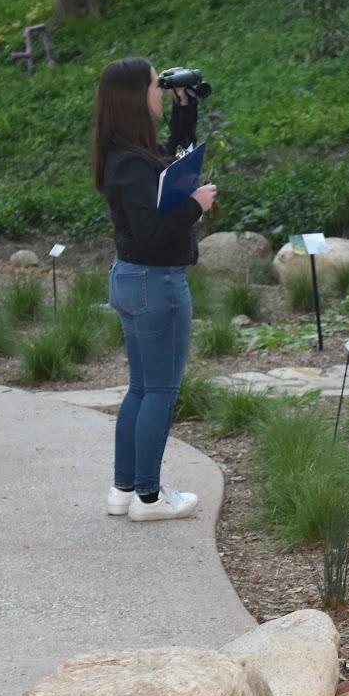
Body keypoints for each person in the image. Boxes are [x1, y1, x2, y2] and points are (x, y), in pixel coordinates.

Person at [93, 57, 216, 521]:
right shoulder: (129, 162)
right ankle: (149, 496)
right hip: (156, 283)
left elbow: (173, 168)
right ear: (134, 97)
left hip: (133, 279)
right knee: (160, 391)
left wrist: (185, 112)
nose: (160, 93)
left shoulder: (127, 154)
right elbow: (152, 229)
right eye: (155, 86)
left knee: (142, 390)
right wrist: (195, 206)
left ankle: (124, 489)